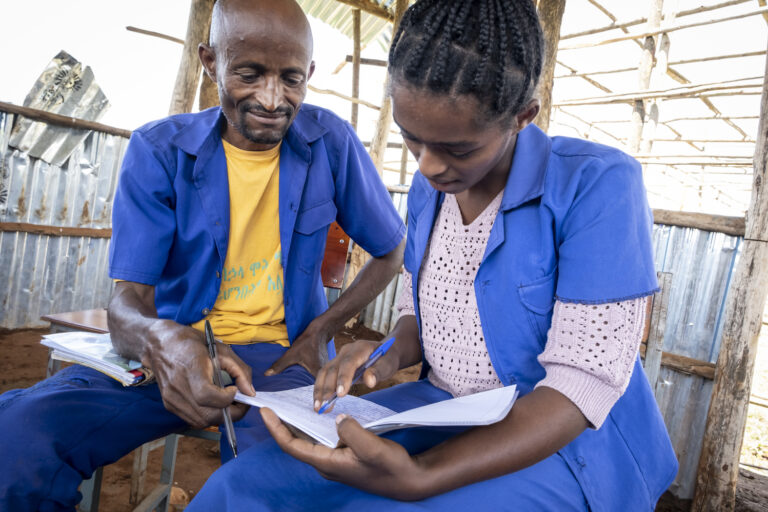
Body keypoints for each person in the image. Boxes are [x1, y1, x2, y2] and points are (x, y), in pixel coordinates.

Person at [186, 0, 679, 510]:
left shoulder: (596, 185)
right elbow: (420, 316)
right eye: (411, 139)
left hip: (562, 440)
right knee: (243, 487)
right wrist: (385, 354)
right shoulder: (431, 193)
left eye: (458, 149)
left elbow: (582, 386)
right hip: (441, 408)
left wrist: (422, 475)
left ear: (522, 117)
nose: (427, 166)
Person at [0, 0, 406, 510]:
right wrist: (163, 341)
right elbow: (126, 307)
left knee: (275, 486)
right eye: (249, 74)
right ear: (210, 62)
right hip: (173, 352)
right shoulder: (159, 150)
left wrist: (319, 333)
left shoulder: (331, 143)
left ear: (309, 74)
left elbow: (392, 251)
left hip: (281, 362)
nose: (272, 98)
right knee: (16, 438)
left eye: (291, 79)